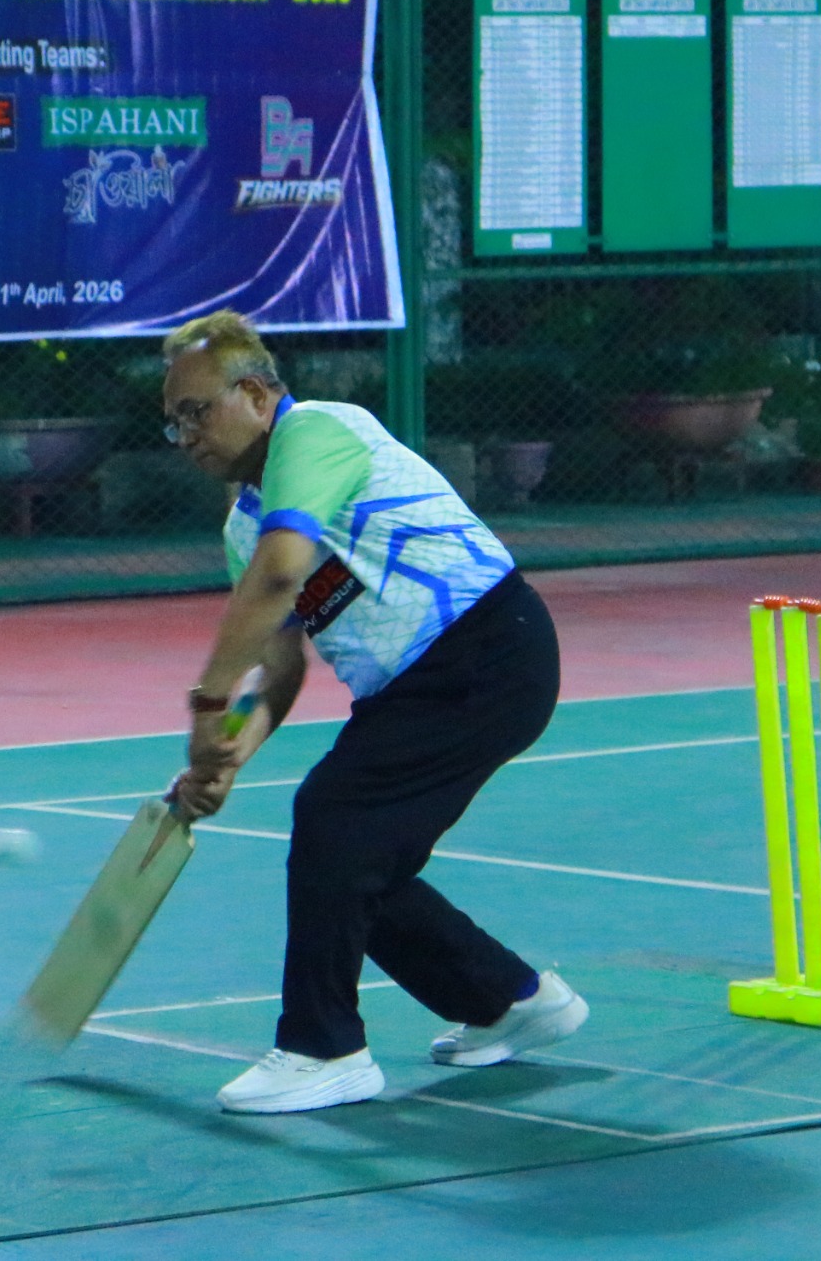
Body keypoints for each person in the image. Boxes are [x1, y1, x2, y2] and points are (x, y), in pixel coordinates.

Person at [161, 310, 586, 1115]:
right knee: (356, 859)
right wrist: (228, 753)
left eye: (196, 412)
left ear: (256, 394)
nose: (185, 437)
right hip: (421, 688)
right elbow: (281, 669)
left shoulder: (318, 433)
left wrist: (208, 701)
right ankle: (511, 1001)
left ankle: (323, 1049)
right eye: (173, 422)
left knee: (336, 820)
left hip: (485, 649)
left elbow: (282, 573)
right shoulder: (243, 523)